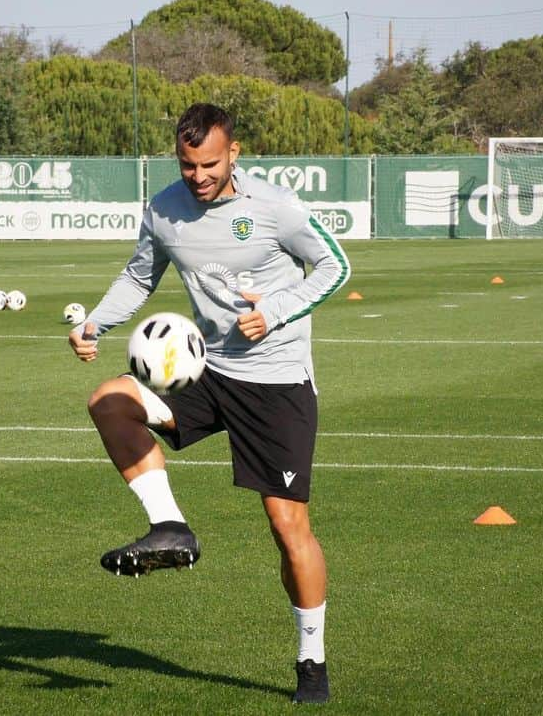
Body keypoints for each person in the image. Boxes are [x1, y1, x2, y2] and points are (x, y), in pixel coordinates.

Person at [68, 103, 350, 704]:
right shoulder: (164, 208)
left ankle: (311, 659)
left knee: (287, 526)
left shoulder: (274, 207)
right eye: (188, 163)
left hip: (277, 385)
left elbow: (335, 265)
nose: (198, 175)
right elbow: (140, 277)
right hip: (206, 371)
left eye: (210, 163)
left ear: (235, 153)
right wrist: (95, 323)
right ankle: (170, 527)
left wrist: (273, 312)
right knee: (109, 401)